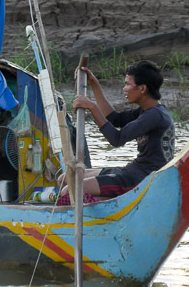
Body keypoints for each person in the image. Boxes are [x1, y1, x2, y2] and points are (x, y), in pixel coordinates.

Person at [58, 60, 175, 203]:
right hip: (132, 171)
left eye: (127, 84)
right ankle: (101, 201)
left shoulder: (155, 116)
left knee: (68, 191)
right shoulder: (147, 111)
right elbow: (114, 118)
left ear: (143, 89)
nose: (124, 89)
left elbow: (116, 139)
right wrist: (94, 83)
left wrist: (92, 108)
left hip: (141, 178)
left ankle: (103, 207)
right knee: (64, 179)